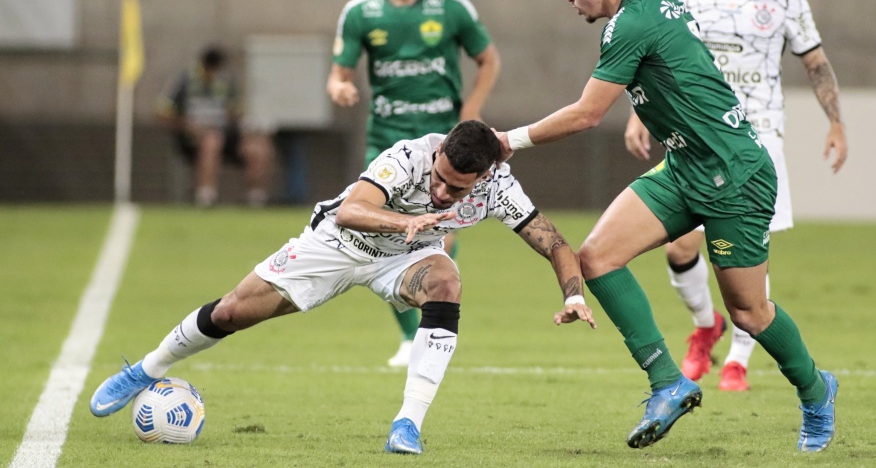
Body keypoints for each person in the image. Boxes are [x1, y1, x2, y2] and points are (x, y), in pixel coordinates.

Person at [494, 0, 837, 452]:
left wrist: (508, 140)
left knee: (748, 311)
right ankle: (668, 383)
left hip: (735, 174)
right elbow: (676, 76)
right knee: (597, 258)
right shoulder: (660, 2)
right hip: (684, 165)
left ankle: (816, 391)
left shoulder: (631, 22)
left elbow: (587, 113)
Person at [89, 120, 595, 455]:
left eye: (456, 188)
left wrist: (572, 294)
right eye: (440, 177)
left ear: (484, 176)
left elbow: (553, 242)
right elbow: (353, 209)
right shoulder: (408, 156)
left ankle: (407, 425)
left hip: (409, 258)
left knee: (446, 282)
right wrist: (405, 224)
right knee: (230, 313)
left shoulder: (498, 188)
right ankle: (145, 370)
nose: (441, 191)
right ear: (438, 153)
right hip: (339, 243)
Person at [624, 0, 848, 392]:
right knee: (680, 246)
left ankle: (738, 362)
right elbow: (657, 57)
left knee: (747, 254)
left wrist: (835, 122)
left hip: (757, 139)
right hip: (697, 133)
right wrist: (639, 112)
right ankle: (707, 326)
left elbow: (815, 62)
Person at [326, 0, 501, 367]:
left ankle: (425, 331)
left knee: (440, 242)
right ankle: (411, 340)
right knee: (383, 238)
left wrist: (471, 111)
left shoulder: (452, 9)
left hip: (441, 150)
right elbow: (338, 72)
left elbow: (489, 60)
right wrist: (340, 86)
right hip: (384, 142)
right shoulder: (361, 12)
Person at [156, 45, 273, 207]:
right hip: (193, 139)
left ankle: (256, 197)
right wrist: (189, 125)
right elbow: (162, 112)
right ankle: (206, 195)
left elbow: (238, 111)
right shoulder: (185, 80)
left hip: (225, 134)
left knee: (258, 147)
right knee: (212, 140)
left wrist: (243, 125)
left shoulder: (226, 81)